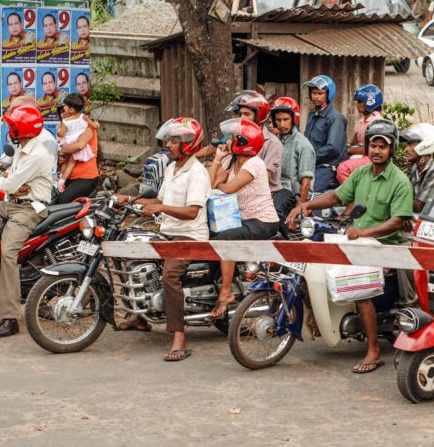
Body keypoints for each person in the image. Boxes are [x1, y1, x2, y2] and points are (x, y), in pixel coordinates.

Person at [286, 119, 413, 374]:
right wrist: (306, 206)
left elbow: (398, 222)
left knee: (359, 289)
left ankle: (374, 351)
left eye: (383, 146)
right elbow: (337, 196)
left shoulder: (400, 181)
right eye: (373, 145)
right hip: (356, 240)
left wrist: (364, 231)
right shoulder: (362, 173)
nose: (377, 150)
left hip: (385, 246)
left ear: (392, 149)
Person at [114, 118, 210, 361]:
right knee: (134, 256)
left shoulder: (197, 172)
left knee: (170, 274)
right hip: (167, 230)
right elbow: (158, 201)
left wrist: (161, 209)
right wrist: (128, 201)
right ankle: (141, 316)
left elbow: (192, 211)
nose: (168, 144)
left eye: (173, 141)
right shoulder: (172, 168)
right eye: (167, 140)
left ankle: (179, 335)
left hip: (190, 235)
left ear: (188, 144)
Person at [0, 105, 53, 339]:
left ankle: (9, 317)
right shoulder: (23, 148)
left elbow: (8, 183)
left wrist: (9, 183)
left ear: (19, 129)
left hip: (30, 208)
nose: (8, 128)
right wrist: (8, 183)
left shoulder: (36, 155)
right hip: (14, 203)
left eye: (10, 125)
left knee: (8, 251)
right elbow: (8, 182)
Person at [208, 119, 280, 319]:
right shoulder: (231, 161)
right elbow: (212, 182)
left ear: (242, 143)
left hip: (262, 221)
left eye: (232, 138)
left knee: (224, 240)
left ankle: (226, 292)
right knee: (208, 235)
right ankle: (213, 283)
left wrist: (218, 186)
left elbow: (227, 188)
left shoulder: (255, 164)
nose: (227, 141)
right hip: (240, 219)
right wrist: (217, 159)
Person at [302, 75, 347, 192]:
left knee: (310, 193)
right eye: (313, 93)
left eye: (319, 93)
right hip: (311, 164)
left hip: (327, 167)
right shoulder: (313, 114)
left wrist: (309, 158)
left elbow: (333, 148)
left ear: (328, 94)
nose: (315, 96)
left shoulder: (335, 118)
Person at [270, 97, 315, 206]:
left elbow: (306, 183)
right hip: (273, 188)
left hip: (291, 193)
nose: (281, 124)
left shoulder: (303, 145)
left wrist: (300, 208)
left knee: (275, 207)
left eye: (286, 119)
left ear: (294, 119)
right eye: (278, 120)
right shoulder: (275, 140)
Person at [337, 84, 383, 184]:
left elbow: (370, 149)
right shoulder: (362, 120)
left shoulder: (376, 122)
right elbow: (354, 142)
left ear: (370, 102)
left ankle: (353, 196)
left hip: (371, 158)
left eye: (360, 101)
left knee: (342, 169)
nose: (357, 104)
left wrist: (348, 150)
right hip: (360, 155)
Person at [401, 123, 434, 213]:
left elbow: (418, 206)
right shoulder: (414, 168)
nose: (406, 149)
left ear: (425, 145)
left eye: (410, 144)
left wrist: (395, 201)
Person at [56, 94, 94, 191]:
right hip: (70, 177)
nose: (63, 112)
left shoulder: (87, 127)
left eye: (64, 109)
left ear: (72, 110)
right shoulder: (67, 124)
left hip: (84, 177)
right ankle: (60, 179)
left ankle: (61, 180)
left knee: (63, 201)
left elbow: (80, 145)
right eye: (61, 111)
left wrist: (61, 150)